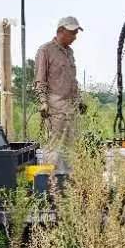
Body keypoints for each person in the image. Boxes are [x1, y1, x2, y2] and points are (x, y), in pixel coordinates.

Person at [34, 16, 87, 173]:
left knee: (72, 147)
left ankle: (68, 185)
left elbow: (72, 80)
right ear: (61, 31)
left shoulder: (69, 52)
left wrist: (79, 100)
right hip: (55, 108)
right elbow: (40, 80)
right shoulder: (45, 50)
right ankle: (51, 188)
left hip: (71, 107)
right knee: (55, 148)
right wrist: (43, 102)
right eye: (72, 33)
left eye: (76, 33)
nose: (75, 37)